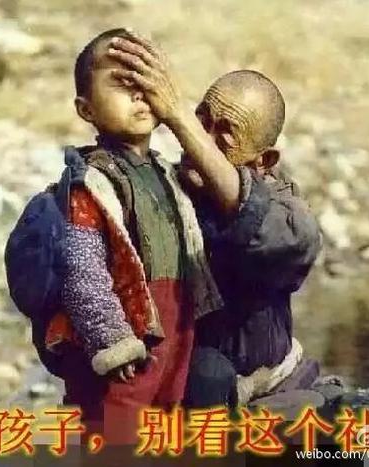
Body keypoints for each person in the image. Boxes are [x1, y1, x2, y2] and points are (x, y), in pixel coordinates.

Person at [108, 34, 323, 410]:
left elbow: (285, 238)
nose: (200, 141)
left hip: (263, 391)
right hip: (171, 388)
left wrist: (177, 115)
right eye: (200, 121)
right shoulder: (164, 186)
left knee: (209, 373)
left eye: (223, 134)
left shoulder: (284, 209)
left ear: (263, 160)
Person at [42, 28, 223, 445]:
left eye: (143, 81)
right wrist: (112, 340)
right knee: (116, 421)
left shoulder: (165, 172)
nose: (139, 94)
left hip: (174, 321)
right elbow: (82, 268)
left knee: (166, 411)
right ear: (86, 109)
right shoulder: (92, 182)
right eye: (122, 84)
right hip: (128, 329)